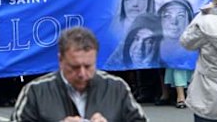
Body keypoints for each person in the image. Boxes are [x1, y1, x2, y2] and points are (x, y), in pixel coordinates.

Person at [11, 27, 147, 121]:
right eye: (74, 67)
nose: (82, 74)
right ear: (60, 60)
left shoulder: (117, 88)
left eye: (88, 66)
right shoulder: (35, 92)